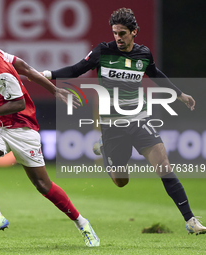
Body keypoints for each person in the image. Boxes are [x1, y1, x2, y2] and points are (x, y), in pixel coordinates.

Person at [42, 8, 206, 235]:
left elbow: (156, 74)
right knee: (121, 181)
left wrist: (180, 95)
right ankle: (105, 149)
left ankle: (190, 220)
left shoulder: (143, 54)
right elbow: (76, 69)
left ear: (134, 32)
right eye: (115, 33)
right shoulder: (103, 51)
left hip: (140, 119)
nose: (117, 38)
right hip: (112, 124)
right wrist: (48, 74)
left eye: (122, 33)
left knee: (164, 167)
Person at [0, 24, 99, 247]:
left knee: (43, 185)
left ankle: (82, 223)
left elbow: (19, 103)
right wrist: (54, 89)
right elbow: (25, 67)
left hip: (22, 130)